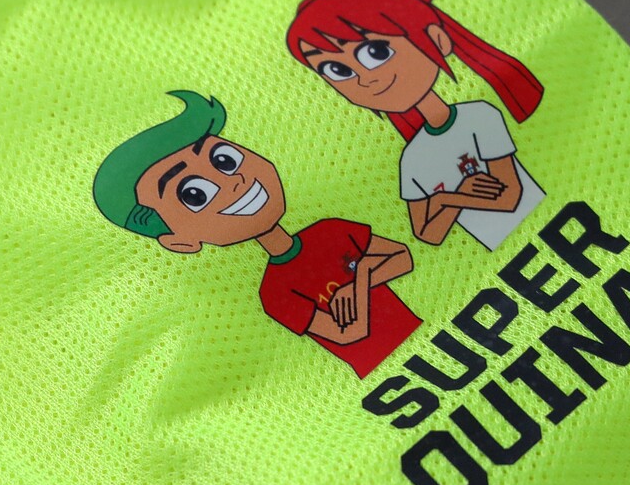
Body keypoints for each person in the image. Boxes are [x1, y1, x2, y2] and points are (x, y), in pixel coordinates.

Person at [93, 90, 417, 377]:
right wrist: (362, 277)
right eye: (195, 194)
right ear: (180, 242)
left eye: (225, 160)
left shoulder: (330, 230)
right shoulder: (275, 293)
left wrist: (361, 276)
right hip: (388, 376)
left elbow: (403, 257)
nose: (233, 182)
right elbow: (349, 334)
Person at [288, 0, 546, 250]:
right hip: (504, 257)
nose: (365, 79)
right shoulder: (412, 157)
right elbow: (427, 235)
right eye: (338, 71)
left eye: (376, 52)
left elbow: (510, 197)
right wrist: (453, 197)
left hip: (552, 224)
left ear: (438, 39)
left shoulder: (479, 117)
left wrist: (446, 201)